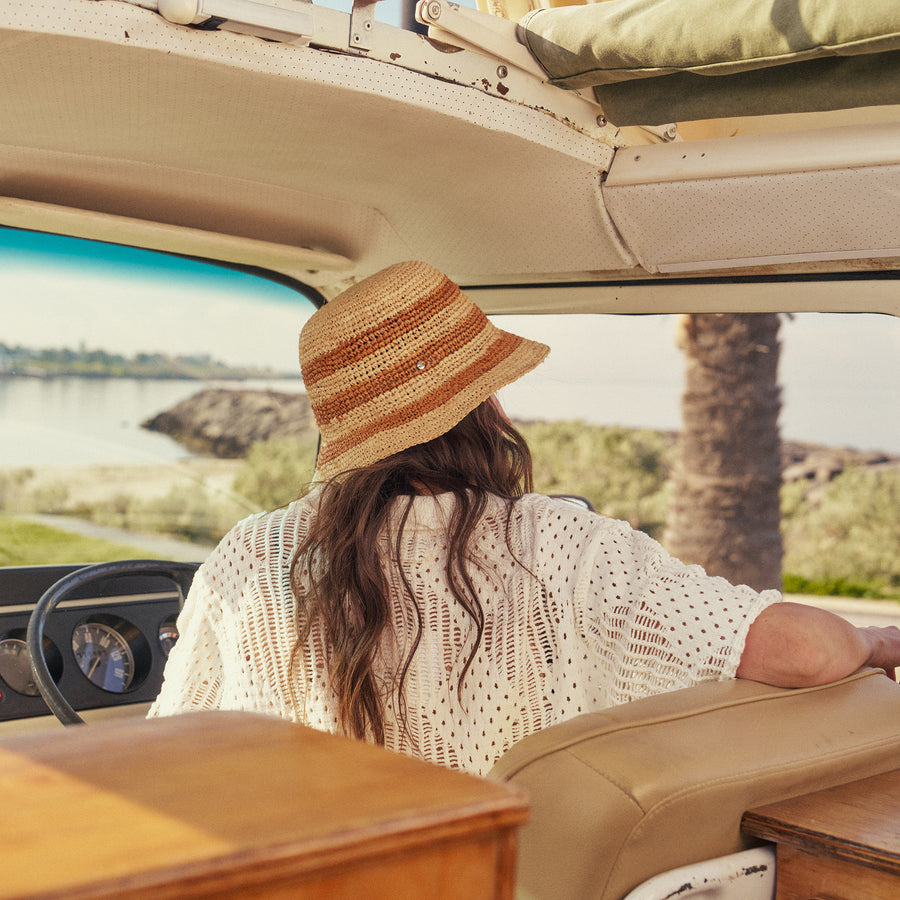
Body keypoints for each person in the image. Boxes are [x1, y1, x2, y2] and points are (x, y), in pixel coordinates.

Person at [148, 261, 900, 776]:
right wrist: (871, 640)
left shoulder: (251, 553)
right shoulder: (561, 545)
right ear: (485, 407)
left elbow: (175, 744)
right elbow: (802, 653)